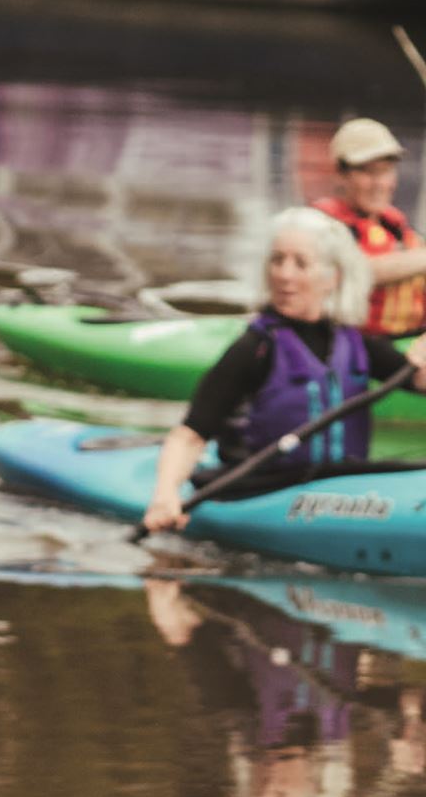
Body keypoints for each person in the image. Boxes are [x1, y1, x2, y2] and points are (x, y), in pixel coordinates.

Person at [143, 208, 426, 534]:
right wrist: (165, 495)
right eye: (277, 261)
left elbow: (418, 381)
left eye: (300, 263)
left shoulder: (356, 341)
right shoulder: (255, 348)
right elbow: (190, 435)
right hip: (262, 491)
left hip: (344, 488)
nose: (284, 274)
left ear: (332, 276)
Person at [313, 117, 426, 339]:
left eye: (386, 171)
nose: (380, 184)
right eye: (368, 172)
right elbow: (356, 270)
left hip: (412, 343)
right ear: (340, 173)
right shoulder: (319, 227)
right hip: (359, 350)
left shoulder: (397, 229)